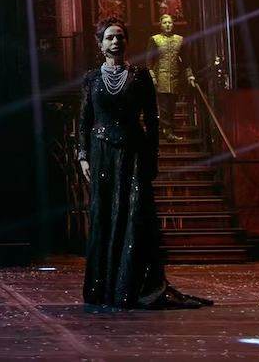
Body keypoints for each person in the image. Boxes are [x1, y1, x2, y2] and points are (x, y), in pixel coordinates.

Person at [78, 18, 211, 309]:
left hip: (133, 152)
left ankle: (132, 285)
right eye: (110, 37)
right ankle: (104, 287)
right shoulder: (91, 79)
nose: (116, 42)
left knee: (134, 214)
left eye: (120, 37)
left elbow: (152, 119)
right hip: (102, 154)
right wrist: (83, 155)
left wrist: (152, 157)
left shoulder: (139, 76)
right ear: (100, 44)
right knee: (104, 215)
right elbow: (85, 119)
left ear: (126, 41)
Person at [147, 14, 195, 142]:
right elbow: (149, 60)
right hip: (160, 77)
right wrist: (152, 76)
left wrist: (190, 75)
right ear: (160, 25)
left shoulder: (180, 40)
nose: (167, 25)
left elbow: (186, 60)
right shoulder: (155, 39)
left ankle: (168, 130)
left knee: (172, 106)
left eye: (169, 23)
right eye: (165, 23)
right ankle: (167, 132)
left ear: (173, 25)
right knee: (164, 106)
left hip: (175, 78)